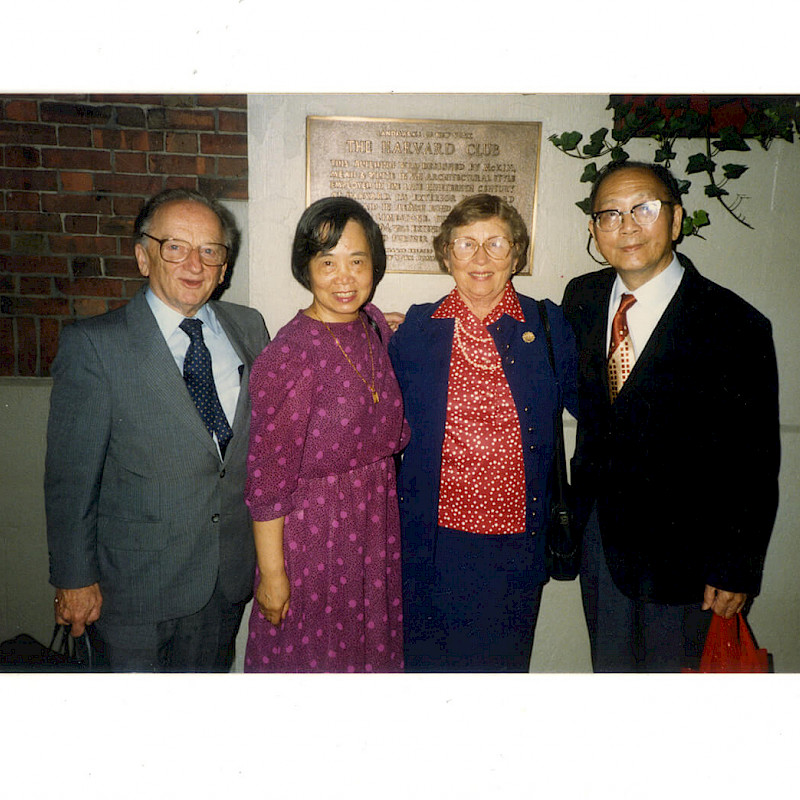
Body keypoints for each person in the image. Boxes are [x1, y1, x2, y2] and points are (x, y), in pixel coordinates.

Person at [562, 160, 780, 672]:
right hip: (601, 542)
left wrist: (736, 567)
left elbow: (753, 458)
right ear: (594, 229)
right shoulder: (582, 298)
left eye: (644, 209)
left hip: (686, 559)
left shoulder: (734, 323)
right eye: (610, 214)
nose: (627, 226)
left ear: (676, 219)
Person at [45, 188, 270, 672]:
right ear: (143, 257)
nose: (195, 264)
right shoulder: (95, 346)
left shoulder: (249, 328)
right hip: (132, 590)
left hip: (224, 581)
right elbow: (70, 479)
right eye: (175, 247)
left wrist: (374, 327)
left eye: (209, 250)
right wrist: (73, 579)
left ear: (224, 267)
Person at [388, 193, 578, 672]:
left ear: (516, 255)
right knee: (427, 673)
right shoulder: (415, 328)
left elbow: (597, 412)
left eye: (496, 243)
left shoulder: (548, 324)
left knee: (500, 672)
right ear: (446, 253)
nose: (480, 258)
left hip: (515, 545)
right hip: (432, 540)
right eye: (465, 243)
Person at [244, 197, 408, 673]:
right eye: (327, 262)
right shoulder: (289, 355)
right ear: (306, 267)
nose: (344, 278)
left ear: (374, 264)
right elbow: (267, 481)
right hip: (315, 535)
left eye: (357, 261)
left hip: (373, 524)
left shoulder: (372, 325)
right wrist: (273, 574)